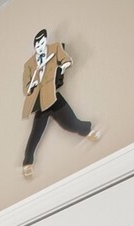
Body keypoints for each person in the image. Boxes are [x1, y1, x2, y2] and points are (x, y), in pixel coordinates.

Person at [21, 28, 101, 178]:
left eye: (42, 44)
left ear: (45, 42)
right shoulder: (29, 64)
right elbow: (26, 88)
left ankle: (86, 130)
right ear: (34, 46)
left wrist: (60, 69)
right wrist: (32, 85)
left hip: (53, 96)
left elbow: (67, 61)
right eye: (37, 46)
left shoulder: (55, 49)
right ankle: (27, 162)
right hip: (40, 101)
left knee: (70, 124)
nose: (40, 47)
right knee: (36, 132)